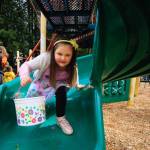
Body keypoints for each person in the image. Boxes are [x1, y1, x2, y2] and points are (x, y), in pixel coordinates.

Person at [19, 38, 79, 135]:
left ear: (72, 56)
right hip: (41, 82)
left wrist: (76, 85)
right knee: (32, 100)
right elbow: (27, 65)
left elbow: (72, 81)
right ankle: (38, 106)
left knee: (62, 90)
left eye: (67, 55)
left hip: (58, 84)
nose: (63, 58)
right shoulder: (45, 58)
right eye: (59, 54)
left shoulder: (72, 66)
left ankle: (60, 118)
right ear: (53, 52)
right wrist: (24, 75)